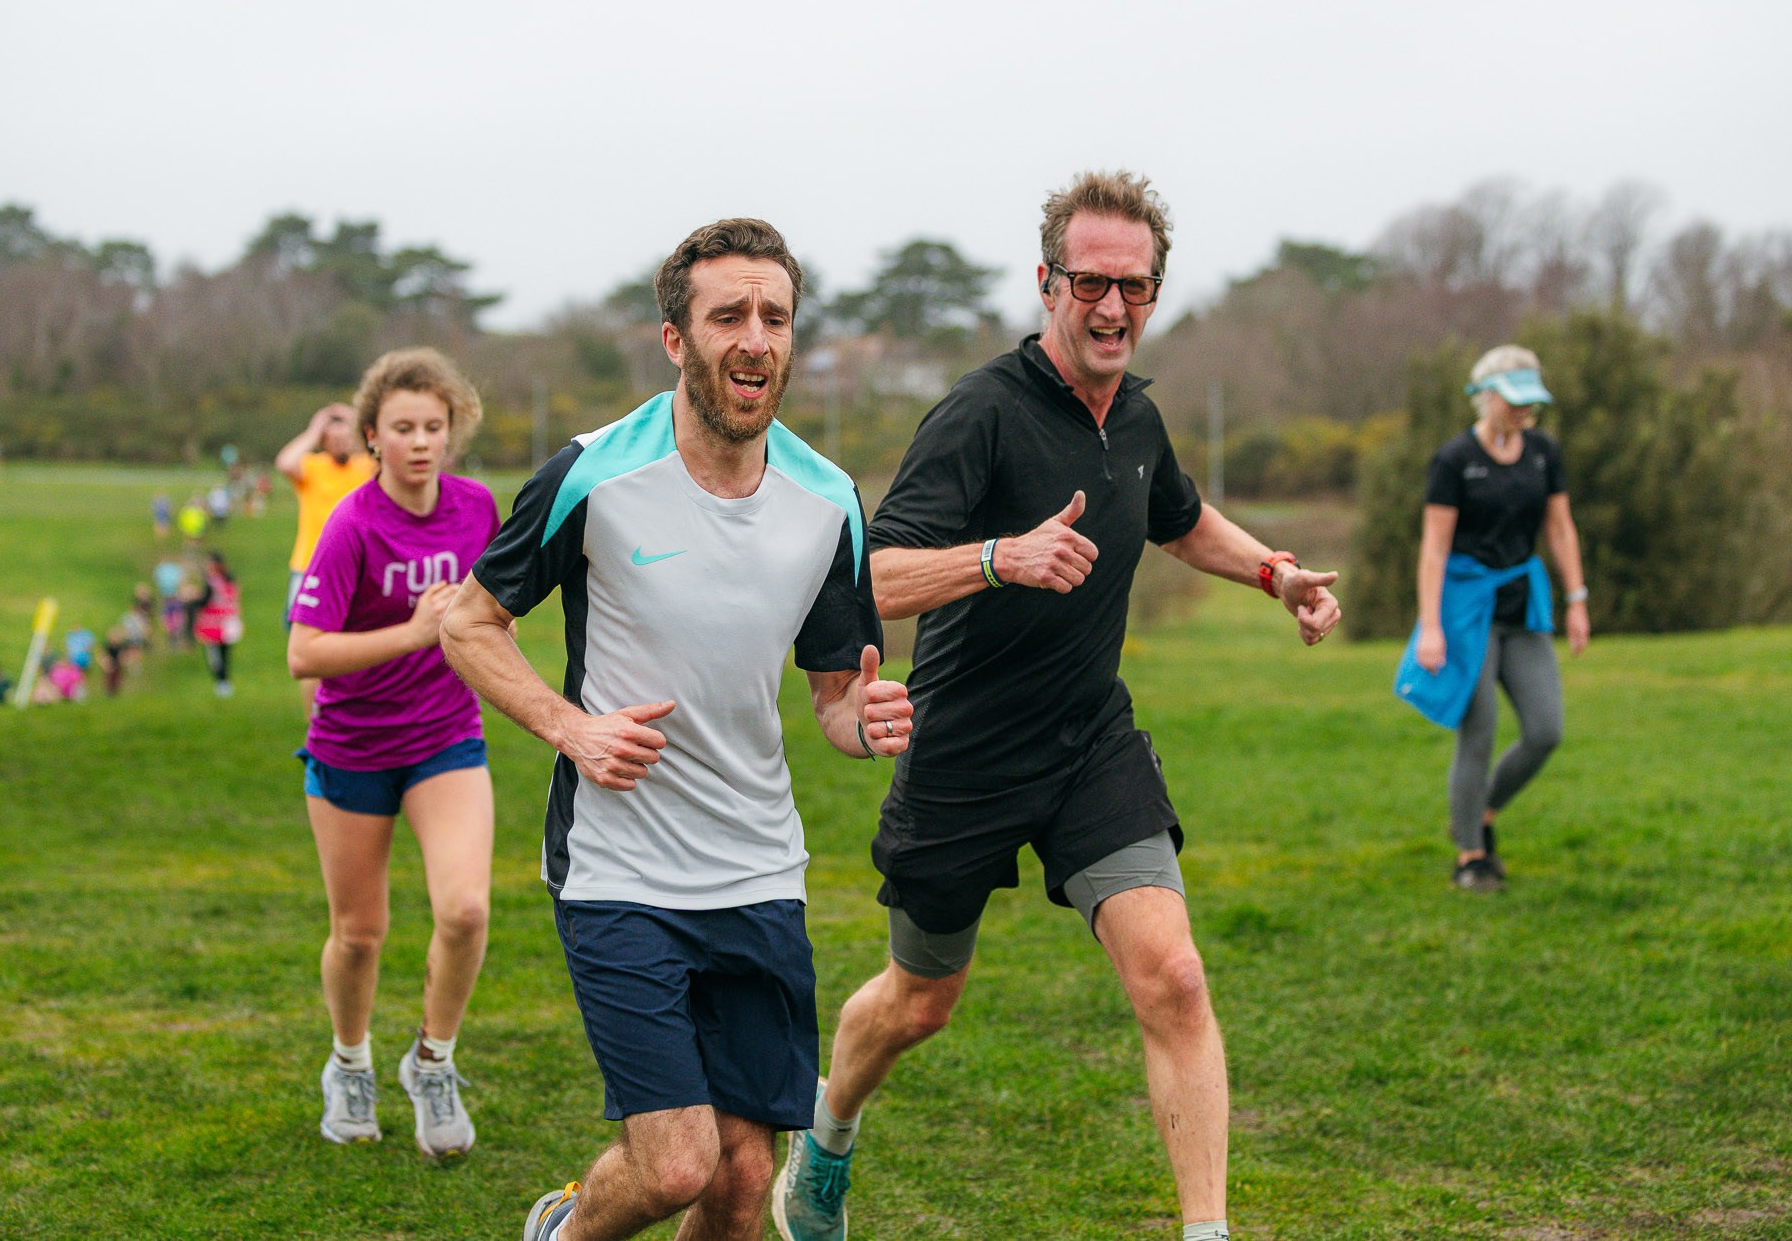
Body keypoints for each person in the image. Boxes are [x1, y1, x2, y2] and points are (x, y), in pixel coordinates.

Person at [771, 173, 1342, 1241]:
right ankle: (826, 1134)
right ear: (1045, 283)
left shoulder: (1136, 415)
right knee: (918, 1001)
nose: (1112, 307)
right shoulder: (979, 414)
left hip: (1088, 742)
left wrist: (1273, 573)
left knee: (1172, 975)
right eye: (1090, 282)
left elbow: (1176, 516)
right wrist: (999, 557)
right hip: (964, 752)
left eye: (1134, 286)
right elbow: (871, 575)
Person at [440, 218, 911, 1241]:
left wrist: (859, 719)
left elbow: (833, 692)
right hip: (619, 868)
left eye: (776, 317)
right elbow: (468, 622)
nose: (756, 338)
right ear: (674, 340)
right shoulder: (592, 475)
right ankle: (560, 1230)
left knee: (743, 1183)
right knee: (677, 1166)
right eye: (728, 314)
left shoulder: (827, 500)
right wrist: (572, 729)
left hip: (756, 869)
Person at [286, 347, 502, 1159]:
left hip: (446, 735)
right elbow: (303, 652)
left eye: (434, 427)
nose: (420, 441)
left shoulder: (479, 507)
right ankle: (349, 1061)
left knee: (467, 908)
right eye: (402, 427)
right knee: (360, 932)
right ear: (372, 435)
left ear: (453, 432)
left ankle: (433, 1061)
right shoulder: (351, 523)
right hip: (350, 747)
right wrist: (412, 632)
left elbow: (495, 607)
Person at [1396, 345, 1588, 892]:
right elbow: (1433, 548)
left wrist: (1577, 598)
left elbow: (1560, 529)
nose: (1526, 412)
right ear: (1487, 397)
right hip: (1462, 609)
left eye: (1532, 402)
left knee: (1546, 730)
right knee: (1477, 731)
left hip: (1521, 606)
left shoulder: (1544, 453)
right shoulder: (1455, 460)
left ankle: (1482, 811)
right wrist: (1430, 626)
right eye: (1516, 402)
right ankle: (1470, 857)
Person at [277, 402, 376, 711]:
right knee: (308, 649)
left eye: (346, 436)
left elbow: (388, 452)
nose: (340, 442)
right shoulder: (314, 467)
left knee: (359, 642)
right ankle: (316, 721)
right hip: (309, 567)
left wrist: (357, 422)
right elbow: (284, 462)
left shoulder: (366, 466)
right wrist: (314, 428)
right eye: (332, 437)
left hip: (360, 567)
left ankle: (354, 708)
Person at [192, 552, 243, 697]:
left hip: (214, 623)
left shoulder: (212, 582)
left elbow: (204, 601)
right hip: (226, 621)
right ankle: (224, 682)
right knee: (223, 654)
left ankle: (221, 682)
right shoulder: (230, 580)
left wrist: (192, 598)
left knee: (215, 656)